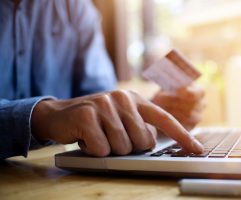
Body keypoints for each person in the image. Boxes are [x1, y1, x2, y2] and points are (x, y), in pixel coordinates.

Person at [0, 0, 205, 160]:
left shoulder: (77, 8)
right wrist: (41, 117)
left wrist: (142, 114)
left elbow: (101, 98)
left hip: (51, 175)